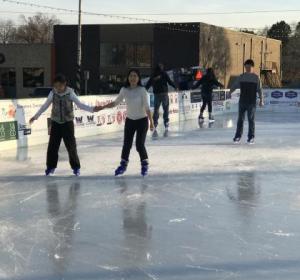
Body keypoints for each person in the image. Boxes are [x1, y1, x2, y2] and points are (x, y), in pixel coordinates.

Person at [29, 74, 98, 176]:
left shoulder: (70, 93)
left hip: (67, 123)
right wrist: (36, 116)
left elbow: (80, 105)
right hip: (56, 123)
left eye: (59, 86)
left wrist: (92, 109)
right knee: (53, 146)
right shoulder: (52, 93)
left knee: (71, 146)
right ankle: (50, 167)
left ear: (64, 84)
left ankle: (76, 168)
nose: (57, 88)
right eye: (55, 86)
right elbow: (45, 106)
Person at [95, 69, 154, 176]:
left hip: (142, 121)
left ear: (138, 78)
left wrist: (151, 122)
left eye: (135, 76)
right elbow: (115, 103)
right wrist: (102, 107)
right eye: (131, 76)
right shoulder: (124, 90)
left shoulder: (142, 90)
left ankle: (144, 164)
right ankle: (123, 165)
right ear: (128, 78)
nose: (133, 78)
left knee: (139, 144)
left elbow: (147, 107)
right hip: (130, 121)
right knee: (126, 144)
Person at [230, 59, 264, 144]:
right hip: (242, 101)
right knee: (240, 119)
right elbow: (234, 85)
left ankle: (251, 137)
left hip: (251, 102)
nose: (247, 68)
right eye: (246, 67)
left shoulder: (256, 77)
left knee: (251, 120)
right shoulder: (241, 76)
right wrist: (230, 92)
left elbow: (260, 90)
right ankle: (238, 136)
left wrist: (261, 100)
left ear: (252, 67)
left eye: (249, 67)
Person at [145, 63, 177, 137]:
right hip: (164, 93)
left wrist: (145, 88)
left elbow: (149, 83)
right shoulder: (164, 73)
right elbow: (169, 81)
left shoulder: (153, 74)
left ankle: (155, 123)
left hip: (157, 94)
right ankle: (166, 122)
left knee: (156, 109)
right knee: (165, 108)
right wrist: (175, 87)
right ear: (162, 68)